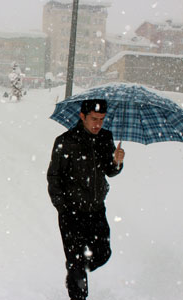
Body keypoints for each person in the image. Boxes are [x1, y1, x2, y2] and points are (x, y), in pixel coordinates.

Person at [47, 99, 125, 300]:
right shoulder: (66, 141)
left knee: (103, 253)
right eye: (94, 119)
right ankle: (76, 278)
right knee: (76, 262)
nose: (98, 124)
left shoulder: (105, 137)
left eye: (101, 119)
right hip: (71, 212)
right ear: (82, 116)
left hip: (97, 210)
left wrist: (117, 162)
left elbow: (109, 170)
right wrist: (63, 208)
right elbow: (54, 177)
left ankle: (76, 271)